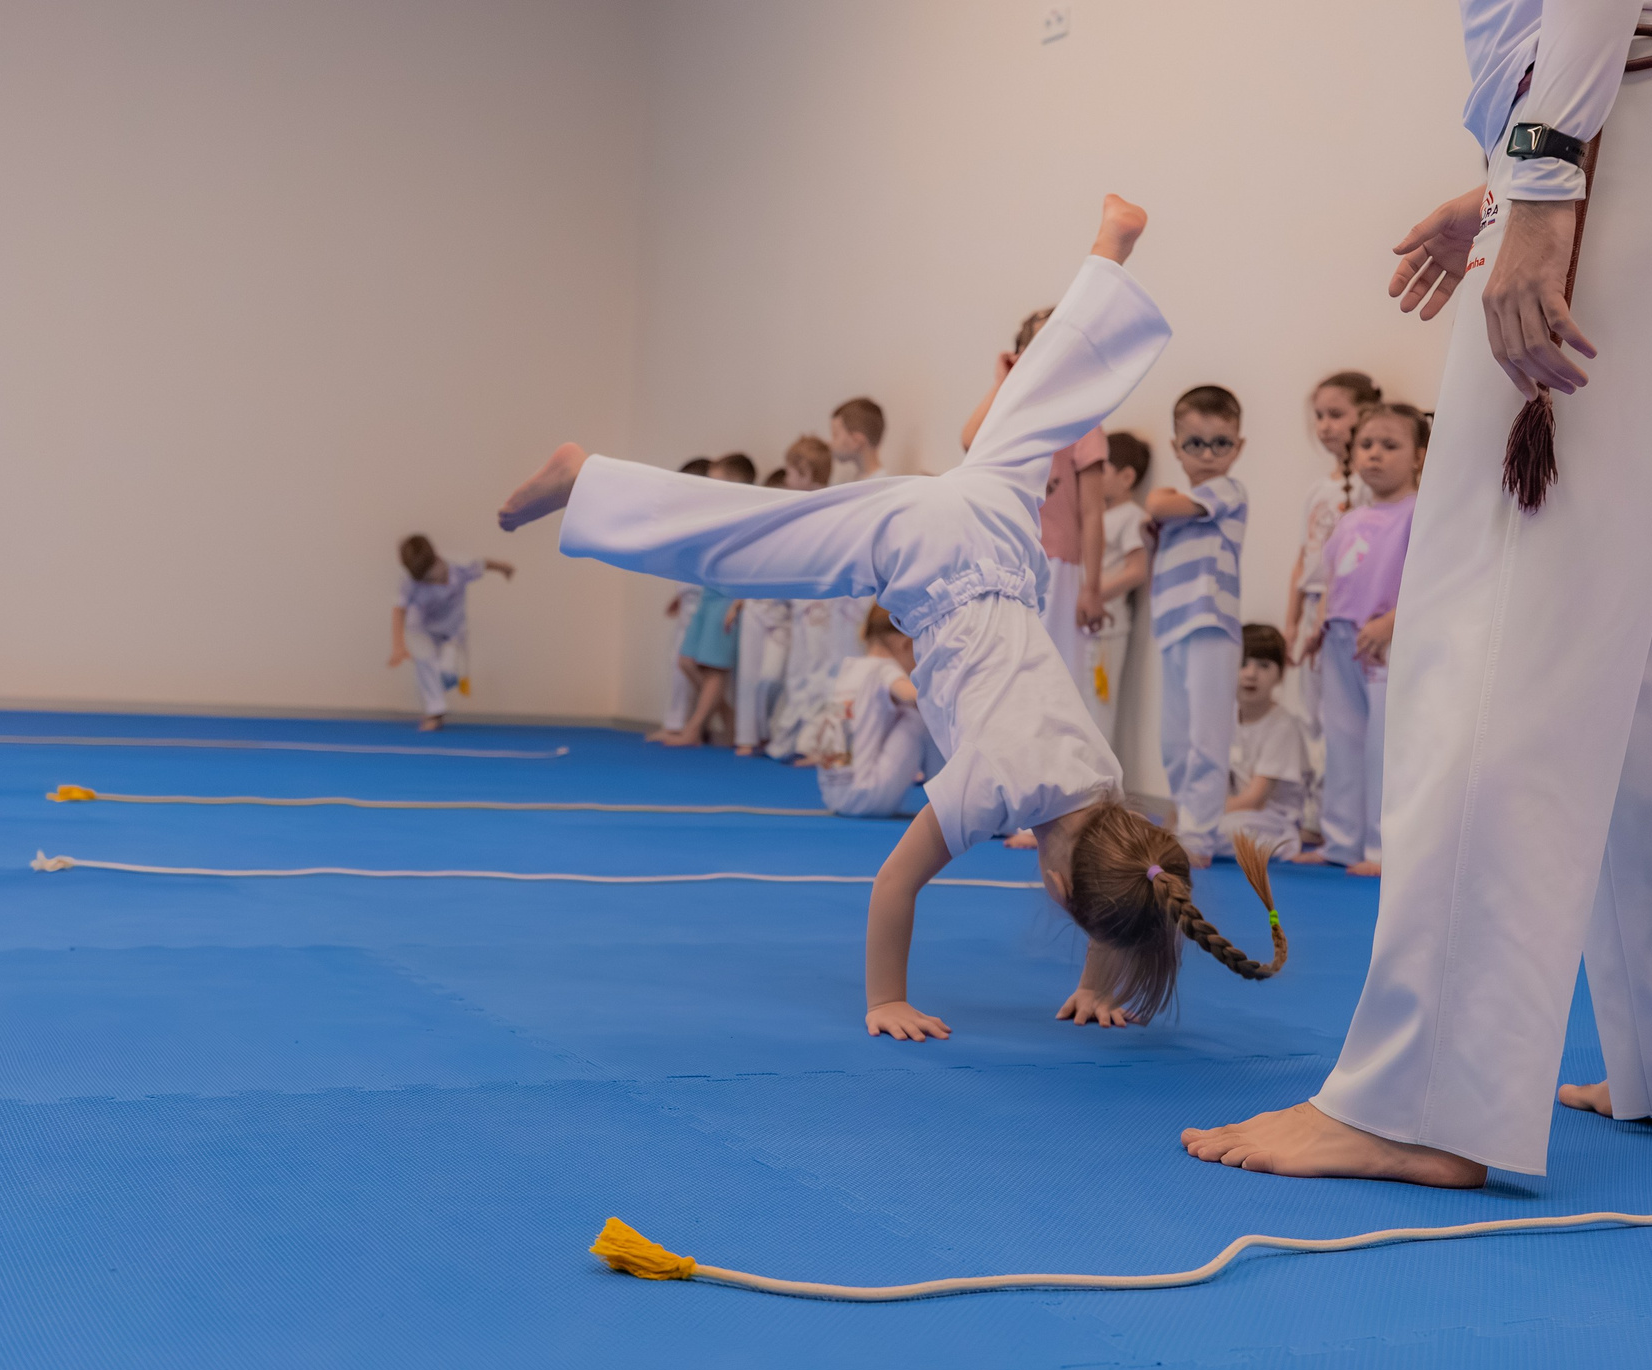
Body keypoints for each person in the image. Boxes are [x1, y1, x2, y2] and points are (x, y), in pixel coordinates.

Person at [1189, 7, 1652, 1187]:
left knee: (1495, 621)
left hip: (1627, 113)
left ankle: (1428, 1101)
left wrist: (1539, 178)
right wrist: (1514, 178)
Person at [501, 195, 1286, 1038]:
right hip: (933, 562)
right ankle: (588, 481)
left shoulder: (1104, 786)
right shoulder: (995, 789)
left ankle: (1109, 255)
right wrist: (887, 999)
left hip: (1000, 536)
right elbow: (894, 885)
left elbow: (1129, 870)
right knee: (750, 546)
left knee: (1035, 404)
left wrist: (1102, 983)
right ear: (1058, 891)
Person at [1300, 401, 1425, 876]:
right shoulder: (1351, 517)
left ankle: (1379, 846)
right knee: (1342, 740)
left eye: (1390, 446)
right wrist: (1319, 625)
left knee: (1382, 746)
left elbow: (1427, 580)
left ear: (1418, 456)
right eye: (1367, 445)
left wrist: (1390, 623)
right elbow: (1334, 576)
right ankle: (1341, 840)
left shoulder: (1418, 514)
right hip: (1340, 639)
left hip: (1384, 643)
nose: (1374, 455)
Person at [964, 314, 1107, 693]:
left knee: (1059, 677)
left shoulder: (1084, 420)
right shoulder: (1013, 413)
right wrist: (1003, 381)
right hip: (1011, 559)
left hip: (1060, 564)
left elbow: (1093, 512)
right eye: (1042, 343)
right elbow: (970, 439)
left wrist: (1092, 587)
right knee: (1012, 674)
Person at [1142, 386, 1249, 867]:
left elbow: (1158, 504)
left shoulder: (1226, 491)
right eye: (1195, 444)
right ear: (1175, 447)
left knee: (1207, 735)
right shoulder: (1189, 501)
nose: (1208, 455)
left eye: (1221, 444)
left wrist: (1160, 501)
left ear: (1238, 448)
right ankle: (1188, 819)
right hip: (1172, 626)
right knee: (1175, 738)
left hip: (1210, 623)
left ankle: (1201, 834)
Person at [1284, 372, 1382, 838]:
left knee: (1349, 721)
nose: (1325, 426)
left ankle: (1354, 821)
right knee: (1311, 715)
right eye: (1319, 416)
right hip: (1312, 616)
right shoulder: (1317, 491)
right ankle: (1317, 815)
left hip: (1346, 617)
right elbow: (1303, 561)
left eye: (1336, 414)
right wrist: (1293, 623)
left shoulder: (1369, 491)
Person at [767, 403, 887, 761]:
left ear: (858, 439)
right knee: (824, 665)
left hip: (859, 593)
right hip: (840, 593)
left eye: (836, 434)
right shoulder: (853, 486)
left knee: (846, 668)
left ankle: (840, 746)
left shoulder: (883, 484)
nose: (832, 443)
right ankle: (823, 742)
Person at [730, 437, 832, 754]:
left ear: (805, 473)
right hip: (759, 605)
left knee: (771, 677)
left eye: (791, 472)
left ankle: (775, 732)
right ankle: (748, 737)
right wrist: (738, 599)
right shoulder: (780, 512)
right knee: (749, 677)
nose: (786, 479)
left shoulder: (822, 510)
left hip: (791, 612)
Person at [665, 454, 757, 747]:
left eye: (715, 482)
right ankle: (727, 716)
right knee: (686, 660)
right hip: (707, 593)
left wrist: (740, 601)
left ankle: (693, 729)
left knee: (715, 668)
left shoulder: (745, 517)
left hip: (726, 598)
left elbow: (752, 564)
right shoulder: (717, 515)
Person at [808, 605, 934, 817]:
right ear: (905, 644)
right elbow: (913, 696)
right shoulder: (885, 668)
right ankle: (949, 797)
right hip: (869, 798)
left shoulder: (848, 669)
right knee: (919, 716)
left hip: (833, 795)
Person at [389, 534, 515, 732]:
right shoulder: (409, 581)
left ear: (437, 559)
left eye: (432, 577)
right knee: (426, 662)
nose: (431, 582)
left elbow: (484, 564)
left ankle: (440, 687)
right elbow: (399, 610)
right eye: (425, 581)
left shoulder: (460, 565)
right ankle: (434, 713)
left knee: (448, 673)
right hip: (422, 629)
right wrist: (398, 646)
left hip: (453, 630)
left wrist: (505, 567)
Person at [1083, 430, 1154, 741]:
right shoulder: (1093, 517)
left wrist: (1092, 595)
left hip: (1108, 627)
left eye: (1102, 469)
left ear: (1126, 477)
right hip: (1083, 626)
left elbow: (1136, 571)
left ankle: (1100, 787)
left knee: (1099, 710)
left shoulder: (1132, 516)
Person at [1222, 624, 1309, 860]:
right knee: (1182, 822)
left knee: (1221, 830)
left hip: (1273, 821)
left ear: (1280, 674)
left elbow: (1255, 799)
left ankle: (1284, 845)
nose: (1251, 673)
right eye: (1243, 664)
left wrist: (1205, 813)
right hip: (1239, 812)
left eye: (1263, 665)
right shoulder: (1227, 718)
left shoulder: (1283, 726)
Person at [651, 456, 711, 741]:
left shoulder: (706, 520)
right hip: (690, 599)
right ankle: (681, 721)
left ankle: (682, 723)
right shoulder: (690, 519)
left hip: (703, 602)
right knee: (680, 661)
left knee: (684, 662)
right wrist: (678, 595)